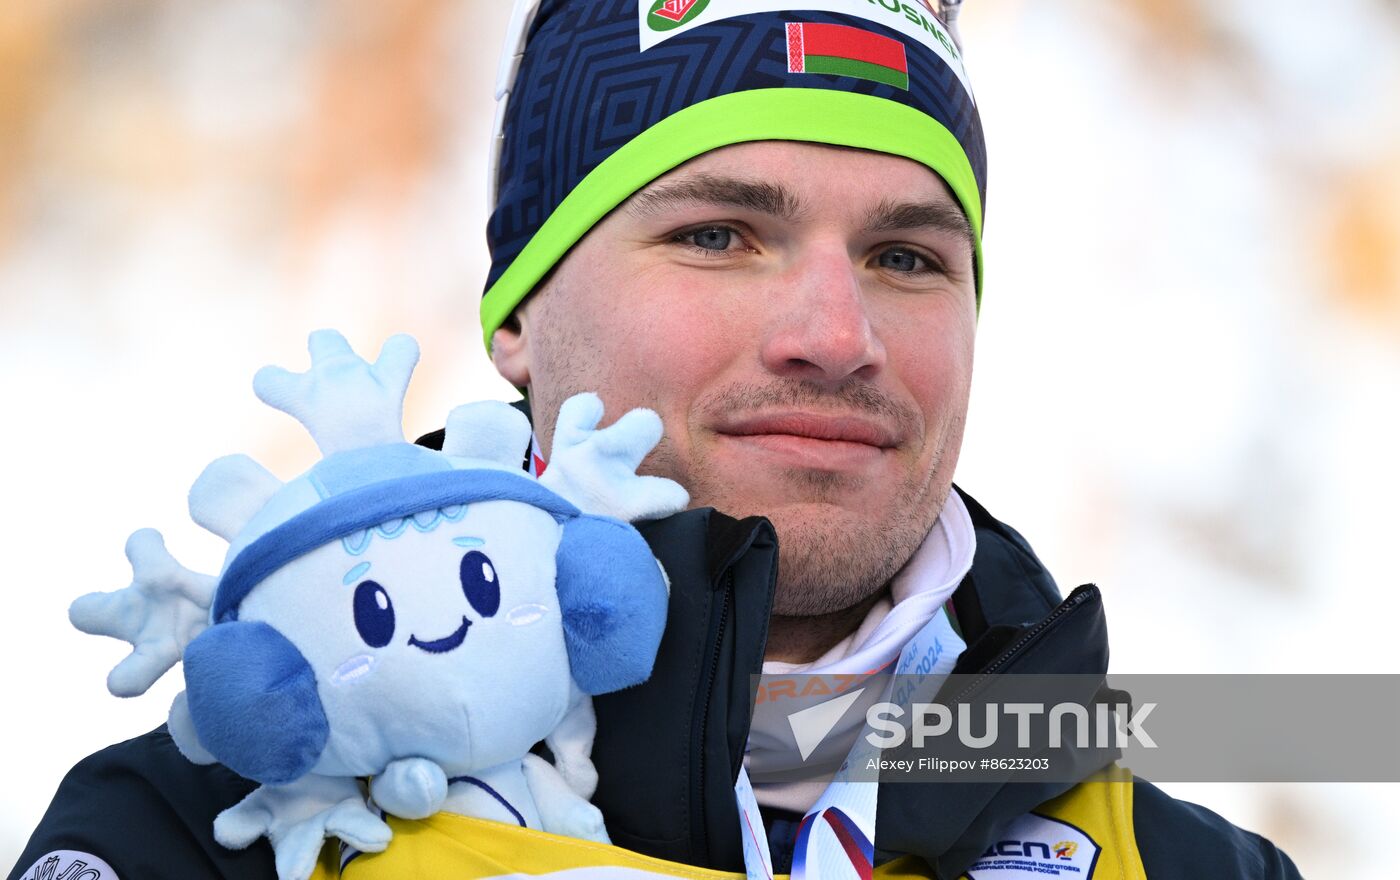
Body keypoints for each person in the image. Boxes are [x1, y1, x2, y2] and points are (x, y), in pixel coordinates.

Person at [11, 1, 1302, 878]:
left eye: (906, 255)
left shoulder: (1184, 861)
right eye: (719, 235)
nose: (834, 332)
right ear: (518, 315)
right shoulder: (216, 826)